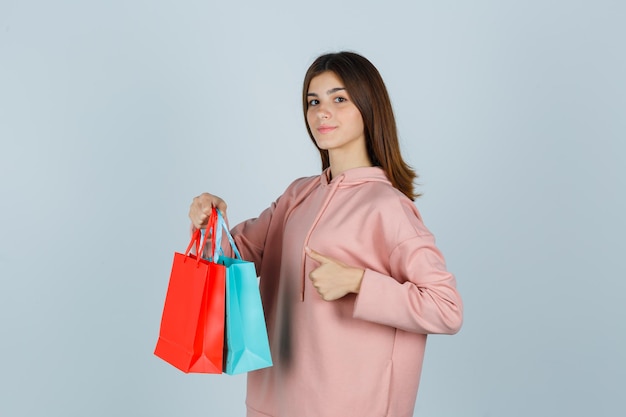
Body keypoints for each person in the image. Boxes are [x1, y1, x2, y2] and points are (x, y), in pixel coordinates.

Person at [188, 51, 463, 417]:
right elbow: (233, 257)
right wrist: (209, 222)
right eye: (313, 101)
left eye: (339, 99)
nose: (322, 112)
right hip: (271, 402)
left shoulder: (387, 206)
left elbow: (446, 308)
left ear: (368, 107)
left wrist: (359, 282)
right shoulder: (297, 195)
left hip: (349, 407)